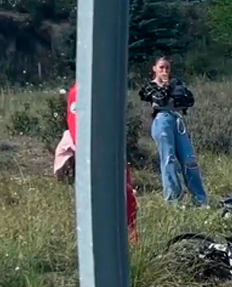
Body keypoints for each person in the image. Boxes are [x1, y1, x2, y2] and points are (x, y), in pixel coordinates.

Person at [67, 81, 137, 244]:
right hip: (96, 156)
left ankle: (130, 240)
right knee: (98, 202)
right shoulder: (79, 92)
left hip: (113, 152)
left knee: (126, 197)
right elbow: (77, 127)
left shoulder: (104, 87)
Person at [137, 56, 207, 206]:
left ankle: (200, 199)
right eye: (161, 67)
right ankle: (173, 198)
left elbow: (189, 100)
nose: (164, 71)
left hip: (177, 119)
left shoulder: (176, 84)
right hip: (162, 120)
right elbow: (159, 99)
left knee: (189, 159)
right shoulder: (150, 86)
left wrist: (178, 91)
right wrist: (166, 86)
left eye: (167, 68)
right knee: (169, 159)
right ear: (154, 69)